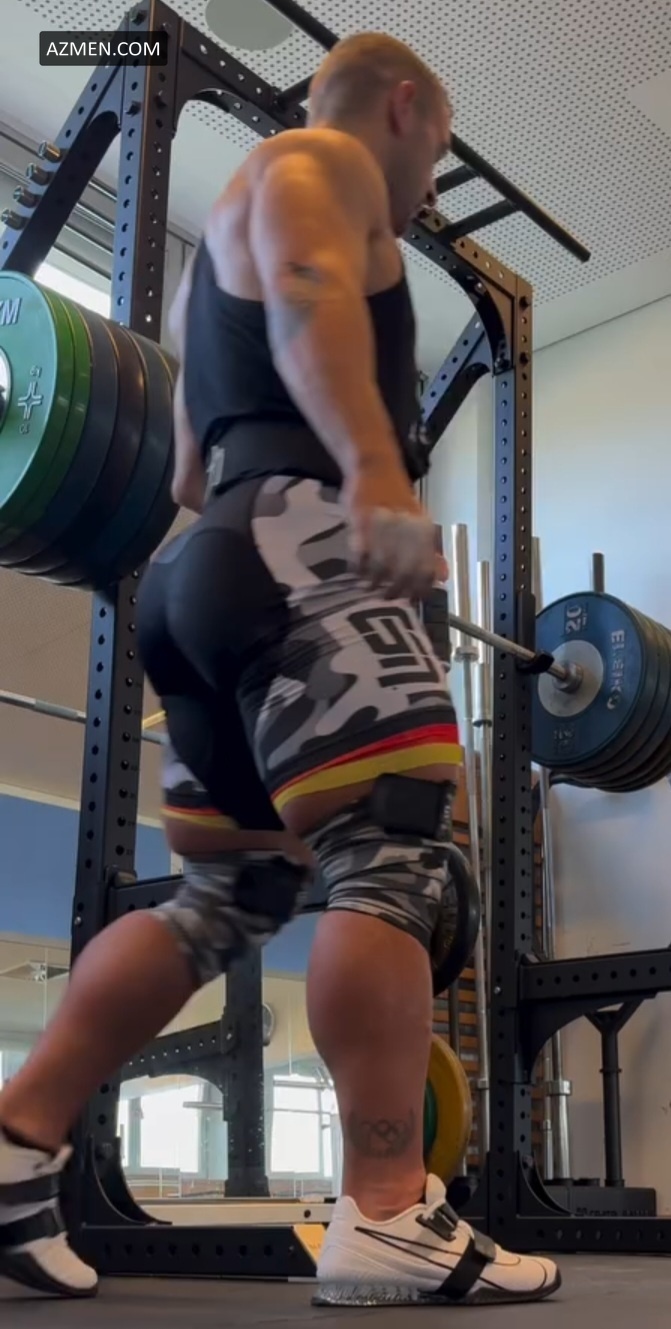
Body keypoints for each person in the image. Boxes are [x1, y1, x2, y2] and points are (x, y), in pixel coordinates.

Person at [0, 33, 561, 1307]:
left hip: (200, 571)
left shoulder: (212, 277)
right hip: (303, 536)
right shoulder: (322, 161)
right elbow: (311, 281)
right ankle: (388, 1213)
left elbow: (190, 473)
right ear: (404, 109)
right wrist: (369, 474)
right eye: (433, 156)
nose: (426, 192)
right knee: (396, 848)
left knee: (228, 896)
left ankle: (16, 1141)